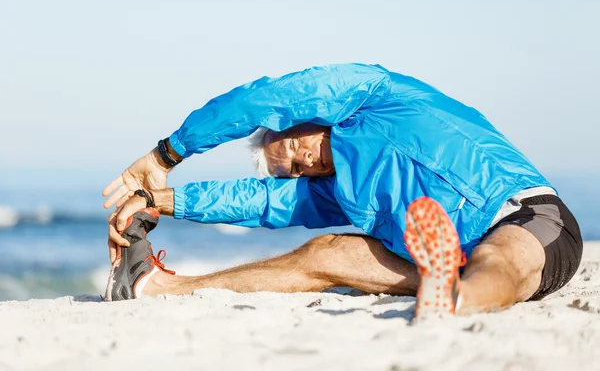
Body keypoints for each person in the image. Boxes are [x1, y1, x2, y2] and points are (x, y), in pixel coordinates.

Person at [102, 63, 582, 318]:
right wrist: (159, 201)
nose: (303, 162)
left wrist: (169, 153)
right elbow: (261, 201)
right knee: (323, 251)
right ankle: (161, 288)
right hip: (433, 259)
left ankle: (459, 299)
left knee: (499, 260)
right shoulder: (335, 191)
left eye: (293, 143)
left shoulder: (379, 95)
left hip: (520, 215)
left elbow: (267, 98)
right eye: (291, 168)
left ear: (298, 121)